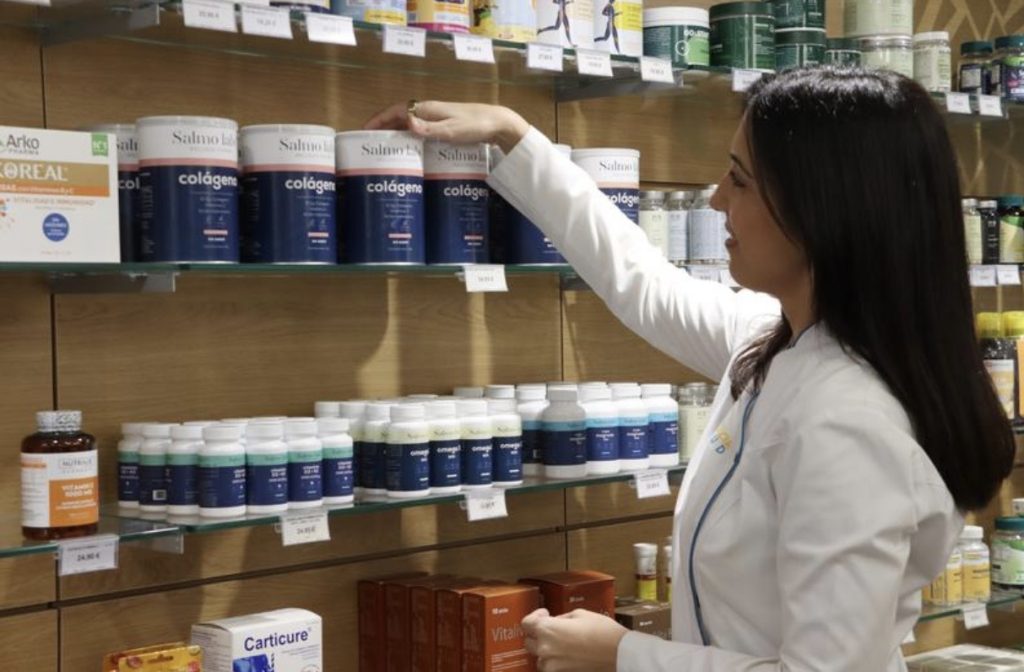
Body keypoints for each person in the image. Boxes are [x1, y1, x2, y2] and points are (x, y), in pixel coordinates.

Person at [366, 67, 1016, 671]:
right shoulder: (778, 342)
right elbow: (641, 281)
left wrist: (623, 655)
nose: (715, 200)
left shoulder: (848, 424)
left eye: (740, 180)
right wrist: (515, 137)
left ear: (824, 209)